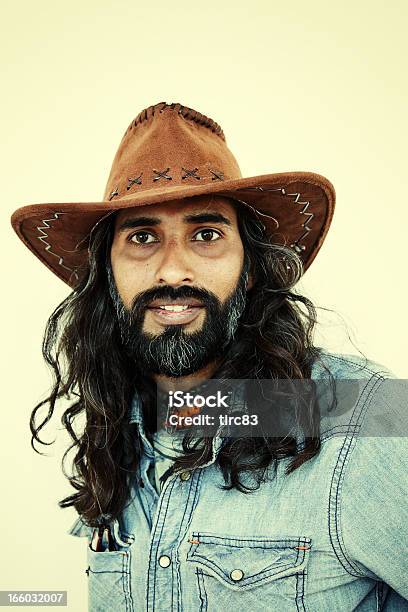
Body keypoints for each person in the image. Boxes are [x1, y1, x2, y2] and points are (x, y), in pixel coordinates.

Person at [11, 101, 408, 611]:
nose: (173, 272)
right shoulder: (122, 429)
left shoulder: (371, 421)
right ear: (107, 276)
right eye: (142, 237)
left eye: (206, 235)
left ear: (250, 267)